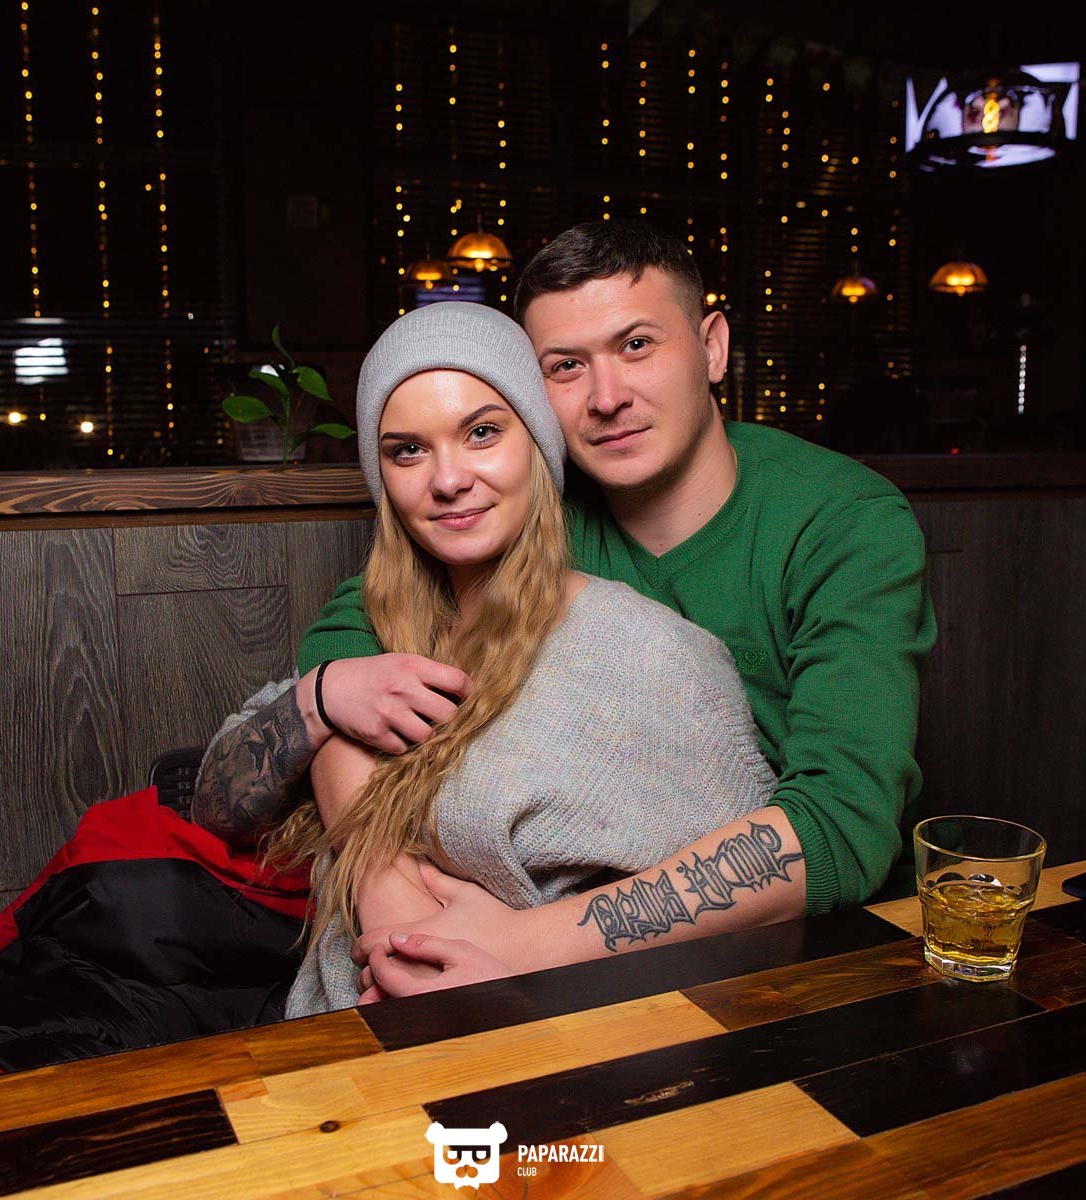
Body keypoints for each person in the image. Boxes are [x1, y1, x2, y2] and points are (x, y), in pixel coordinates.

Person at [197, 220, 934, 1000]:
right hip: (547, 940)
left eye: (637, 345)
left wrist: (521, 944)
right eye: (566, 366)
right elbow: (355, 657)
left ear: (713, 348)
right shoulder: (523, 506)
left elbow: (842, 825)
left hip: (820, 946)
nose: (607, 397)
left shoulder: (841, 521)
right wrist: (392, 903)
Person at [221, 301, 778, 1016]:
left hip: (545, 1044)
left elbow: (751, 907)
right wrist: (317, 701)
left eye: (482, 433)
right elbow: (220, 804)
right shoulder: (375, 630)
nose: (448, 479)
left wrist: (525, 973)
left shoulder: (649, 653)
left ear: (538, 446)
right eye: (407, 450)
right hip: (336, 1038)